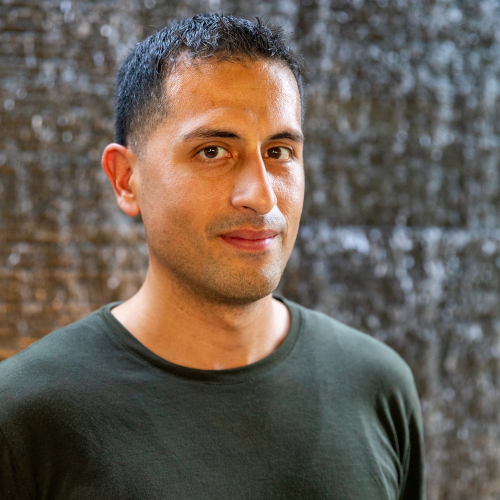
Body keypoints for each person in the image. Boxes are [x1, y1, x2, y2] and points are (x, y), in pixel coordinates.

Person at [0, 14, 425, 499]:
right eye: (213, 151)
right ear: (125, 179)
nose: (261, 197)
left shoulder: (378, 386)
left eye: (280, 152)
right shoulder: (23, 413)